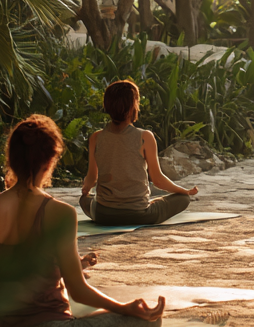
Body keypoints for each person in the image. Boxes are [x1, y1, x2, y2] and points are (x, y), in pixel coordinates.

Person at [0, 114, 164, 327]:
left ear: (11, 157)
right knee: (150, 320)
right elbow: (78, 291)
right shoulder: (60, 212)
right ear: (51, 160)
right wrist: (125, 308)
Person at [79, 80, 198, 226]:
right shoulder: (144, 137)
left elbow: (92, 178)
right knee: (183, 199)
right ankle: (153, 203)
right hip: (140, 214)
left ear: (107, 106)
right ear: (133, 107)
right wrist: (184, 191)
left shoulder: (96, 138)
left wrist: (86, 189)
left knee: (84, 200)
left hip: (103, 215)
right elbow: (158, 180)